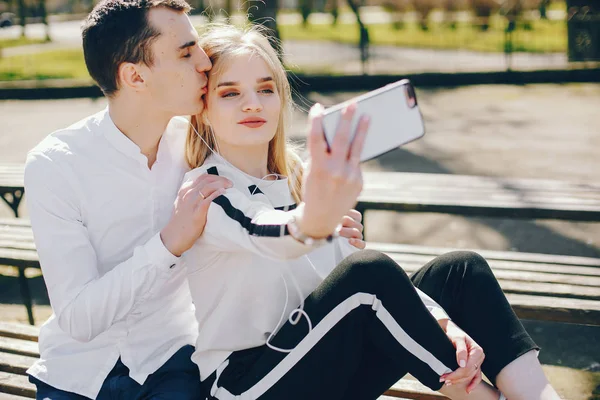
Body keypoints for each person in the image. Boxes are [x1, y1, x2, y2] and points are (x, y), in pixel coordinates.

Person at [181, 24, 562, 400]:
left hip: (325, 365)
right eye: (229, 93)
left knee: (461, 271)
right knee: (367, 273)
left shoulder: (301, 178)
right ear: (203, 109)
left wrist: (443, 321)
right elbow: (263, 231)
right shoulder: (207, 190)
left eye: (266, 89)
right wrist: (314, 219)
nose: (253, 103)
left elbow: (359, 280)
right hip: (247, 385)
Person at [23, 0, 232, 398]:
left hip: (171, 359)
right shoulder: (55, 165)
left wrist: (318, 224)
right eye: (187, 53)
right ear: (135, 76)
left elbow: (266, 189)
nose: (206, 63)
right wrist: (170, 243)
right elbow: (80, 319)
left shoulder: (200, 143)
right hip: (77, 370)